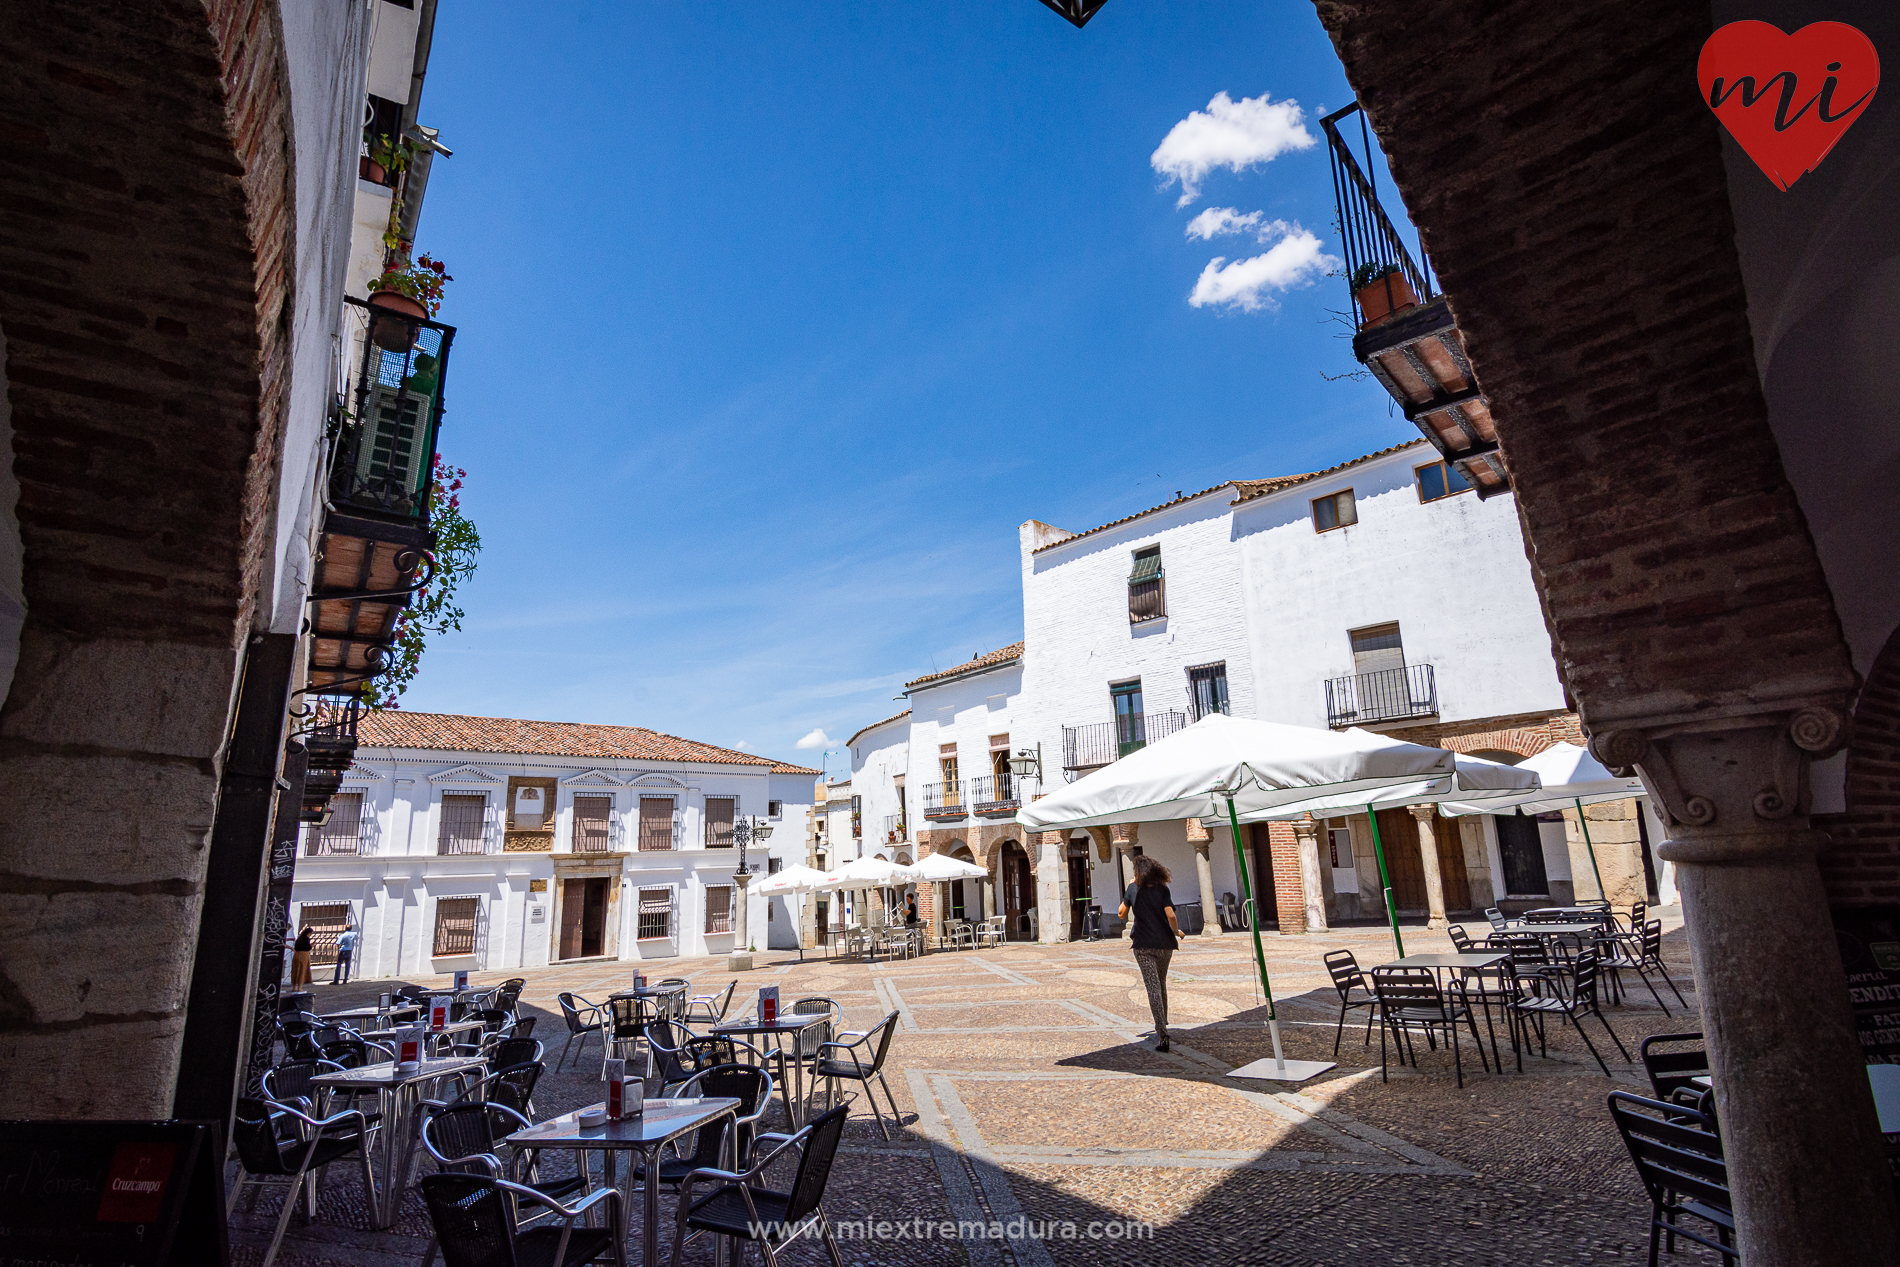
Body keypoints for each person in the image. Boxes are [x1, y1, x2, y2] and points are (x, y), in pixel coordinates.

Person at [1119, 855, 1182, 1052]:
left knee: (1152, 987)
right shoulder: (1162, 888)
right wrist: (1176, 931)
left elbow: (1121, 913)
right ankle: (1163, 1021)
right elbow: (1170, 914)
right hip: (1164, 944)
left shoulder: (1133, 888)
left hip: (1143, 945)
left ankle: (1162, 1034)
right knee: (1161, 984)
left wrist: (1129, 893)